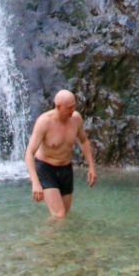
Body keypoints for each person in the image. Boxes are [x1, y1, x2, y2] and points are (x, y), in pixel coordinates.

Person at [24, 89, 96, 218]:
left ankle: (49, 236)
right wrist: (35, 182)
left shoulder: (76, 118)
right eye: (69, 108)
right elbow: (29, 153)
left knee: (64, 214)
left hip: (66, 169)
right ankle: (45, 238)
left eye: (74, 106)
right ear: (58, 106)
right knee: (59, 215)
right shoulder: (44, 122)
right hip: (46, 168)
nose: (72, 110)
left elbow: (84, 141)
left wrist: (91, 166)